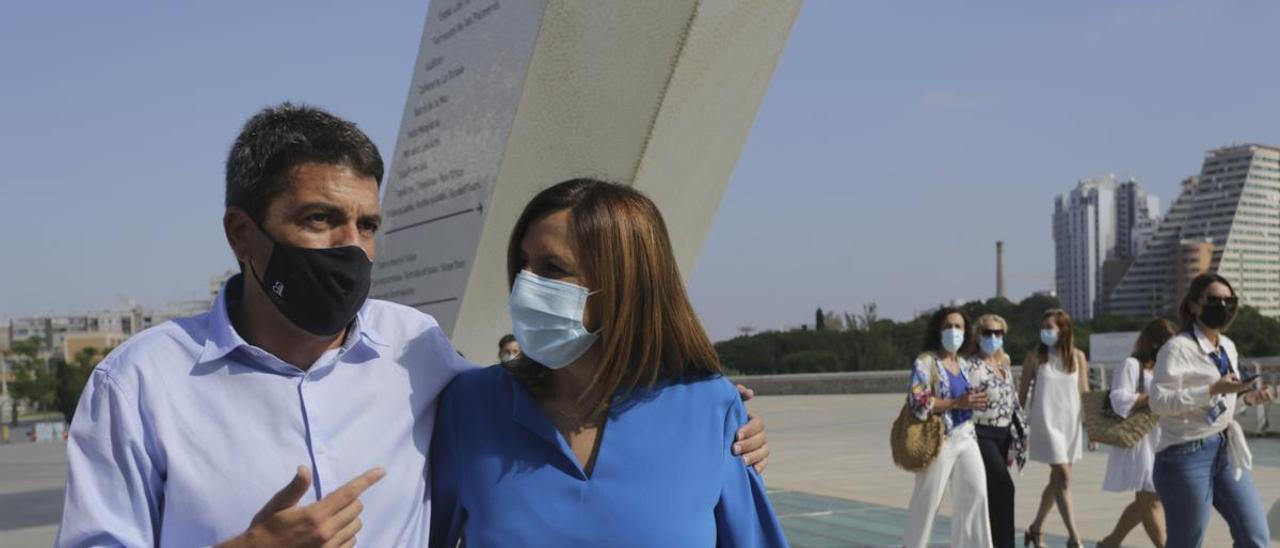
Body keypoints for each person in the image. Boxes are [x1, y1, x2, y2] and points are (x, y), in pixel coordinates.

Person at [55, 105, 770, 547]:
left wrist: (711, 412)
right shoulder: (141, 384)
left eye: (366, 223)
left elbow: (549, 396)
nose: (350, 246)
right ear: (242, 233)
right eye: (319, 219)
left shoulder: (417, 354)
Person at [428, 179, 787, 547]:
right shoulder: (469, 405)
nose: (526, 285)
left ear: (623, 285)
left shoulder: (710, 407)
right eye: (523, 264)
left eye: (552, 268)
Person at [1150, 273, 1275, 548]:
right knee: (1187, 542)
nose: (1223, 306)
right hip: (1184, 454)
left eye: (1229, 300)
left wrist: (1249, 399)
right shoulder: (1177, 349)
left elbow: (1222, 406)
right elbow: (1158, 402)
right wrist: (1211, 390)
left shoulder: (1227, 346)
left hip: (1224, 448)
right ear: (1194, 305)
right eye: (1215, 300)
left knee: (1256, 536)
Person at [904, 307, 992, 548]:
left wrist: (973, 400)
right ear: (938, 330)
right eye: (948, 326)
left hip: (966, 436)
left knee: (976, 496)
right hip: (939, 440)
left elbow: (962, 398)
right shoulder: (925, 362)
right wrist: (957, 402)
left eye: (958, 327)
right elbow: (919, 403)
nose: (953, 331)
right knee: (927, 502)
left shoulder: (962, 364)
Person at [1097, 318, 1176, 548]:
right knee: (1150, 500)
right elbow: (1119, 399)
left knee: (1147, 500)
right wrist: (1154, 399)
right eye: (1168, 344)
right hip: (1140, 440)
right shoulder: (1132, 365)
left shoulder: (1167, 370)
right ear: (1154, 343)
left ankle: (1110, 543)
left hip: (1161, 439)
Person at [1019, 308, 1093, 548]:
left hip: (1069, 424)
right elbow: (1020, 397)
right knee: (1063, 475)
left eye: (1050, 327)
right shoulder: (1035, 357)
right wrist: (1018, 429)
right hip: (1046, 423)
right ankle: (1074, 537)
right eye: (1043, 328)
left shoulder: (1077, 357)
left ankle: (1036, 528)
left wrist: (1092, 428)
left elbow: (1084, 394)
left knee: (1058, 480)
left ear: (1063, 329)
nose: (1045, 332)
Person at [967, 314, 1026, 548]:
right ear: (978, 335)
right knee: (1004, 487)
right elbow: (965, 400)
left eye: (998, 333)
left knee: (993, 493)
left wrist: (1022, 432)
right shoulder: (972, 366)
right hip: (981, 433)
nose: (993, 337)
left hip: (1003, 434)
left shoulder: (1004, 366)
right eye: (988, 333)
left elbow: (1013, 403)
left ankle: (990, 542)